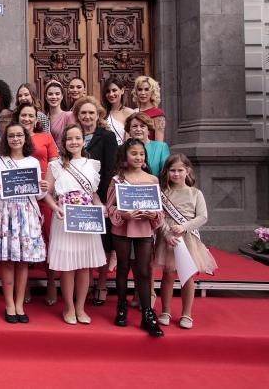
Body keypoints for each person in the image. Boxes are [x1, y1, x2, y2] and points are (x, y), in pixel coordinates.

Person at [0, 122, 46, 324]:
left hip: (26, 214)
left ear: (25, 138)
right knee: (8, 262)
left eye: (19, 135)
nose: (16, 139)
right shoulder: (0, 162)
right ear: (6, 140)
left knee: (23, 261)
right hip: (5, 214)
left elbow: (38, 194)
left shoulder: (32, 163)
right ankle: (9, 303)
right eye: (11, 136)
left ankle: (20, 304)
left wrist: (43, 187)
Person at [44, 124, 107, 325]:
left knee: (84, 267)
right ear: (64, 142)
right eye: (69, 139)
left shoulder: (92, 164)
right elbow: (46, 192)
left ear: (83, 140)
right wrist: (55, 208)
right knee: (68, 266)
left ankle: (81, 307)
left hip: (87, 219)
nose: (73, 142)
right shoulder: (55, 165)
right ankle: (69, 307)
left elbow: (93, 194)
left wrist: (100, 207)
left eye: (77, 138)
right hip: (64, 218)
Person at [107, 138, 165, 337]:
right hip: (123, 228)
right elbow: (110, 206)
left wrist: (154, 214)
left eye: (141, 154)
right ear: (125, 156)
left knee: (143, 270)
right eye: (134, 154)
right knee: (122, 267)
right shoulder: (118, 179)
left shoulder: (152, 180)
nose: (138, 157)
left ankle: (147, 313)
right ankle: (121, 307)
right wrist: (123, 214)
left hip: (143, 229)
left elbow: (159, 208)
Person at [154, 154, 218, 330]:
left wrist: (185, 226)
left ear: (187, 171)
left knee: (187, 276)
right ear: (167, 172)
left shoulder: (195, 193)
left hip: (188, 238)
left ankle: (187, 313)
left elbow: (203, 216)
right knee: (168, 275)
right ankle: (165, 311)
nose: (176, 174)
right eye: (172, 170)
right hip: (169, 239)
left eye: (180, 170)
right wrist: (167, 234)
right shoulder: (163, 193)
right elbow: (159, 218)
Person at [73, 96, 117, 306]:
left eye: (91, 113)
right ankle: (86, 282)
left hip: (100, 198)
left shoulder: (106, 137)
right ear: (77, 116)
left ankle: (101, 283)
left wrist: (105, 197)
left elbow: (110, 169)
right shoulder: (73, 136)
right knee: (85, 242)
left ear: (98, 114)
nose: (87, 117)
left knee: (103, 242)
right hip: (79, 200)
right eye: (83, 113)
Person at [14, 104, 59, 306]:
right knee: (24, 239)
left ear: (36, 118)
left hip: (44, 194)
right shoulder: (14, 137)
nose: (27, 118)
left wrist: (48, 188)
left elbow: (54, 164)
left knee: (48, 239)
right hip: (22, 198)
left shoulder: (46, 138)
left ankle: (50, 282)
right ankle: (25, 285)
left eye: (30, 115)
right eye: (23, 115)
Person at [126, 112, 169, 177]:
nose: (138, 129)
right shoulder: (123, 148)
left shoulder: (161, 147)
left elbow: (166, 173)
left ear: (149, 130)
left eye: (142, 126)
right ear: (129, 130)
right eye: (134, 126)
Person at [132, 75, 166, 142]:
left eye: (146, 89)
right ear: (136, 92)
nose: (143, 93)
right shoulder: (133, 113)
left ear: (152, 92)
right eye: (140, 89)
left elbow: (159, 143)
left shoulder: (158, 114)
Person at [102, 77, 134, 145]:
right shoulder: (101, 113)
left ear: (122, 90)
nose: (111, 94)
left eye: (114, 90)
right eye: (108, 91)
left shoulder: (130, 113)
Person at [44, 80, 75, 146]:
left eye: (57, 94)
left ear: (62, 96)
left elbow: (73, 137)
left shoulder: (69, 115)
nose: (54, 97)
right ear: (46, 97)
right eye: (50, 94)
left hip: (64, 154)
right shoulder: (43, 117)